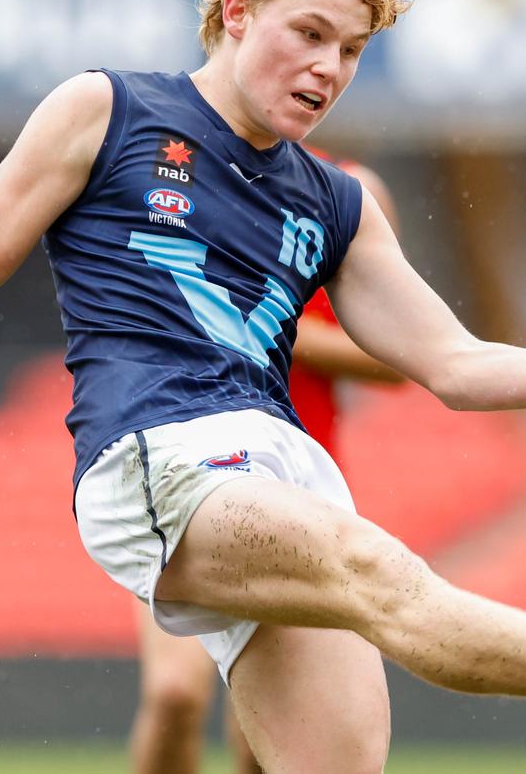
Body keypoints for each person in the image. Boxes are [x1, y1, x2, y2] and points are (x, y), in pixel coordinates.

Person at [0, 0, 526, 773]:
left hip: (288, 467)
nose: (329, 68)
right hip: (165, 453)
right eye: (310, 33)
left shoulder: (340, 202)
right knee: (380, 575)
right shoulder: (107, 110)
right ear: (238, 12)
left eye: (353, 50)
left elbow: (455, 364)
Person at [130, 157, 403, 774]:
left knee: (270, 734)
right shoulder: (167, 179)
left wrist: (250, 320)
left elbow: (391, 357)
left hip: (294, 479)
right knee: (174, 693)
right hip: (182, 470)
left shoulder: (350, 192)